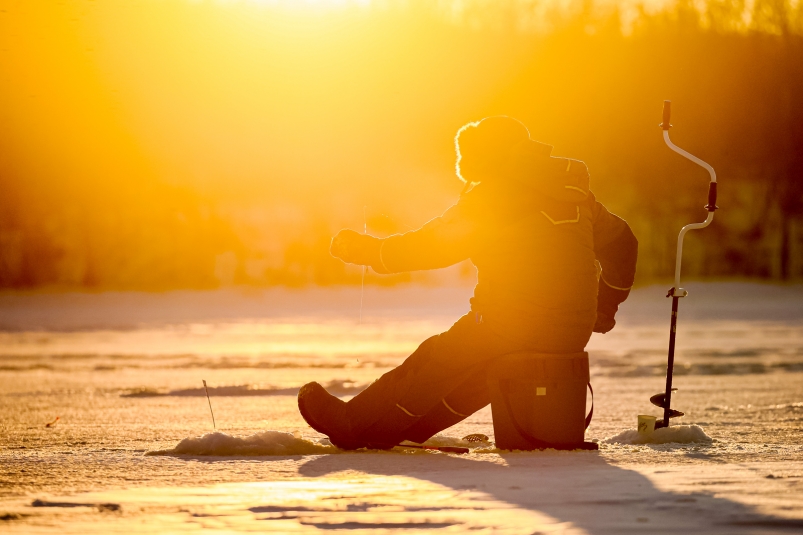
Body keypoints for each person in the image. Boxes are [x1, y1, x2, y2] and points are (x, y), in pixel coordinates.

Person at [298, 116, 638, 450]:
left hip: (510, 322)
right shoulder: (574, 195)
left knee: (438, 357)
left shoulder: (492, 198)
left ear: (484, 159)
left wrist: (369, 250)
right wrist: (604, 306)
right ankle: (403, 427)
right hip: (571, 330)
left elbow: (430, 246)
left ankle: (354, 423)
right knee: (483, 371)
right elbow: (624, 243)